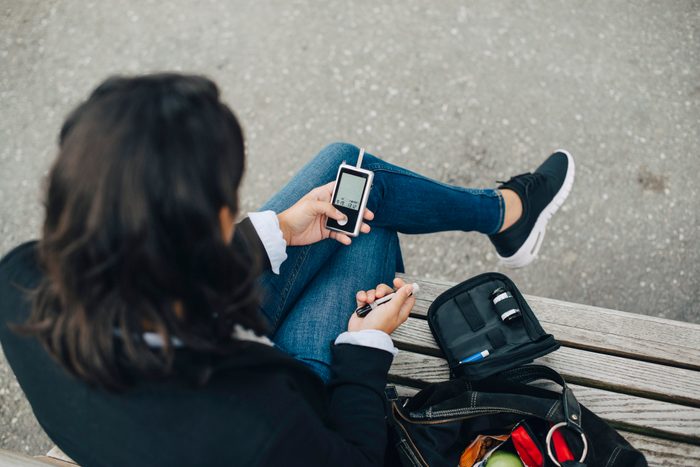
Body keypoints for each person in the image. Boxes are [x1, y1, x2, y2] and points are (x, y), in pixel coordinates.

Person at [0, 74, 574, 466]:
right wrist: (365, 347)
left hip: (179, 369)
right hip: (280, 403)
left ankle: (502, 213)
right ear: (212, 221)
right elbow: (353, 457)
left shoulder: (20, 277)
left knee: (346, 173)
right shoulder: (257, 422)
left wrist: (270, 233)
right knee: (367, 226)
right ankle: (507, 211)